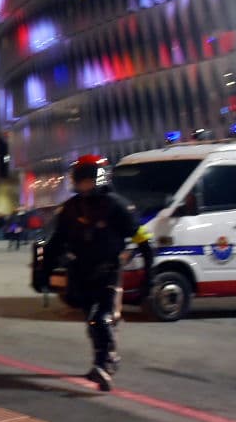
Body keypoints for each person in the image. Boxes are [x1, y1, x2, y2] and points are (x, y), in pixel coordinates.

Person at [37, 155, 154, 391]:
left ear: (99, 178)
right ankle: (105, 359)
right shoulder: (71, 208)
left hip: (108, 272)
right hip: (81, 272)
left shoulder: (117, 206)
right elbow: (56, 242)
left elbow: (142, 241)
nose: (83, 184)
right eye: (80, 180)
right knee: (92, 322)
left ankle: (105, 364)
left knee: (100, 318)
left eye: (88, 179)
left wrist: (148, 276)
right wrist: (45, 271)